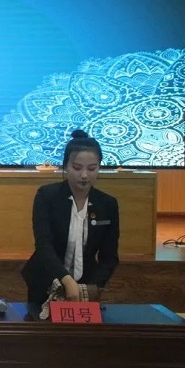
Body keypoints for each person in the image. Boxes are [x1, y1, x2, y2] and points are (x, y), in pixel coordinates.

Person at [21, 129, 120, 318]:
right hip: (46, 282)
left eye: (92, 168)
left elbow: (109, 257)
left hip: (86, 288)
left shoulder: (107, 204)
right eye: (77, 168)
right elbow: (44, 246)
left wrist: (91, 289)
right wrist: (67, 281)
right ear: (65, 166)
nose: (84, 175)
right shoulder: (47, 196)